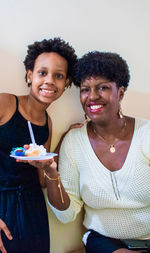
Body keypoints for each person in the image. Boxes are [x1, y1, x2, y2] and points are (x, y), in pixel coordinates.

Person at [36, 51, 150, 253]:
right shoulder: (74, 141)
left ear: (120, 93)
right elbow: (66, 214)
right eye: (85, 89)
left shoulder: (146, 134)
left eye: (103, 87)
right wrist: (52, 174)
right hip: (103, 242)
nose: (92, 96)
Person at [0, 37, 77, 253]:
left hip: (33, 209)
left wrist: (63, 141)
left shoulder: (47, 123)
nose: (50, 80)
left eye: (59, 76)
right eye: (43, 73)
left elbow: (43, 179)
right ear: (29, 75)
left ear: (66, 83)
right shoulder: (5, 103)